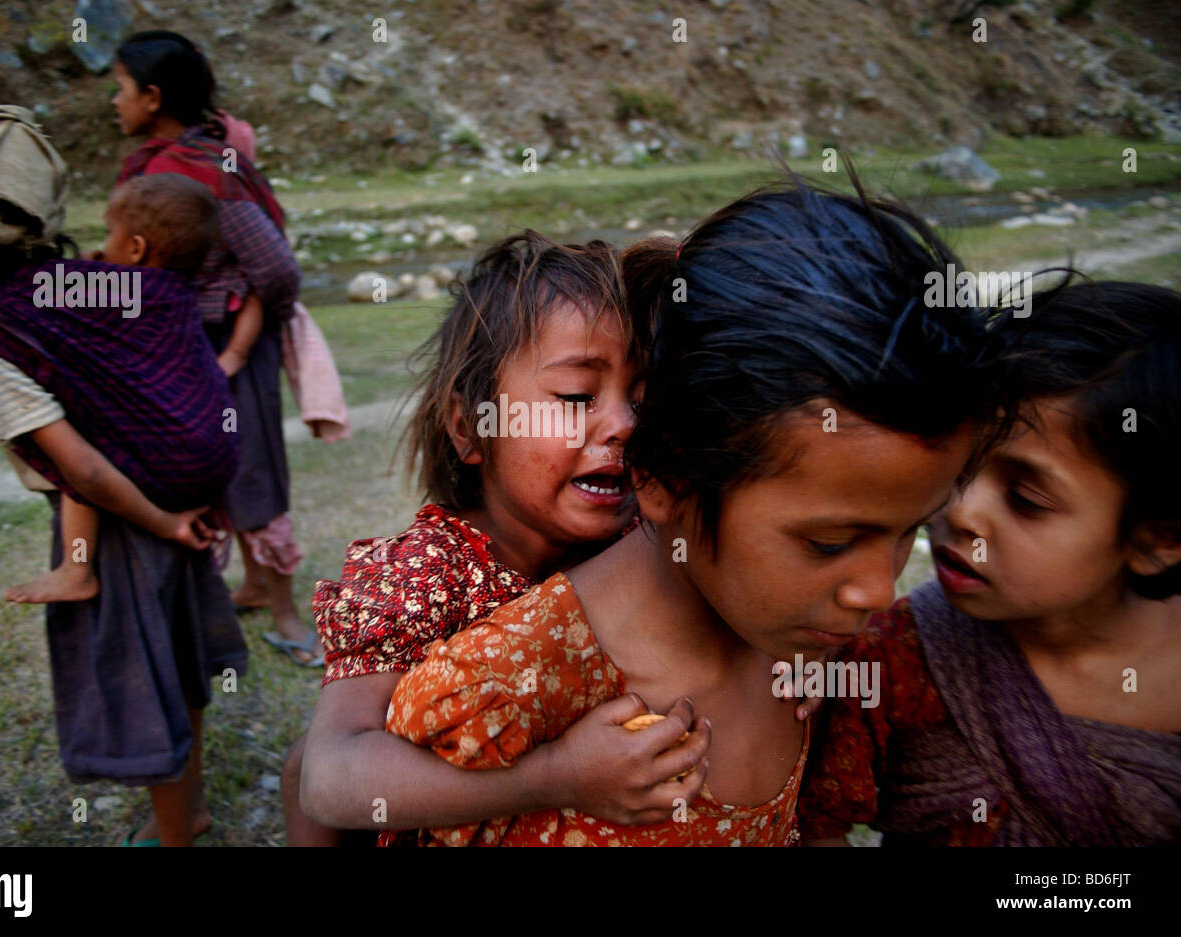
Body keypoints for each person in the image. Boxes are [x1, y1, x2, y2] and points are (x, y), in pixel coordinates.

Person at [383, 174, 1011, 845]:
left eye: (906, 532)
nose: (879, 591)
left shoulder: (802, 654)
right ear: (667, 472)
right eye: (829, 542)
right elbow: (338, 783)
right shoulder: (510, 680)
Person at [290, 232, 735, 846]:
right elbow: (327, 777)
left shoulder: (647, 546)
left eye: (643, 400)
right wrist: (555, 777)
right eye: (578, 396)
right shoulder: (423, 577)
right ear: (470, 427)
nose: (625, 426)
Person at [0, 101, 247, 846]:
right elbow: (181, 379)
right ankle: (189, 809)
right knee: (181, 663)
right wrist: (195, 496)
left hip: (125, 522)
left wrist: (157, 522)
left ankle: (175, 834)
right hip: (185, 495)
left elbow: (75, 463)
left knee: (148, 680)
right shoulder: (85, 282)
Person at [800, 280, 1181, 846]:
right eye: (958, 469)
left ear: (1155, 540)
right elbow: (815, 827)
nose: (960, 510)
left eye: (1027, 501)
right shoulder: (893, 659)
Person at [111, 30, 321, 666]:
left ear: (151, 96)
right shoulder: (169, 162)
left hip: (222, 347)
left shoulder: (197, 171)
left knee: (250, 471)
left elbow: (276, 271)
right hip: (183, 348)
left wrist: (232, 352)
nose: (112, 103)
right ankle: (254, 587)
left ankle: (288, 617)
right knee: (197, 470)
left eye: (118, 89)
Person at [5, 172, 236, 604]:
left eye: (108, 233)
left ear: (135, 249)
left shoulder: (121, 295)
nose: (99, 246)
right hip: (215, 457)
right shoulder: (175, 290)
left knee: (83, 431)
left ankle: (76, 571)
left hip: (170, 460)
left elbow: (43, 296)